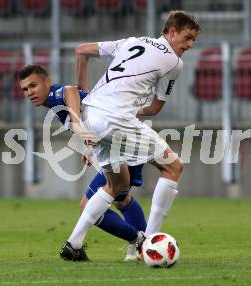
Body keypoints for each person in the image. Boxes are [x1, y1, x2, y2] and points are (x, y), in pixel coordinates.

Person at [60, 10, 200, 261]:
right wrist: (135, 109)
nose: (189, 44)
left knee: (116, 185)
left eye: (193, 41)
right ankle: (149, 242)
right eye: (187, 37)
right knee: (173, 167)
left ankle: (73, 243)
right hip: (117, 119)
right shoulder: (174, 63)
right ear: (171, 31)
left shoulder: (131, 41)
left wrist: (84, 94)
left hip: (91, 114)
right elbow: (155, 108)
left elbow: (81, 50)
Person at [18, 64, 147, 261]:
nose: (29, 92)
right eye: (25, 89)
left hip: (124, 143)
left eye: (33, 86)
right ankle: (144, 245)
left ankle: (139, 240)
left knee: (89, 206)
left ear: (47, 82)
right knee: (121, 198)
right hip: (121, 140)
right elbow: (96, 115)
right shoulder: (53, 105)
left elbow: (70, 90)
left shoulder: (55, 95)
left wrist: (77, 125)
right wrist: (90, 147)